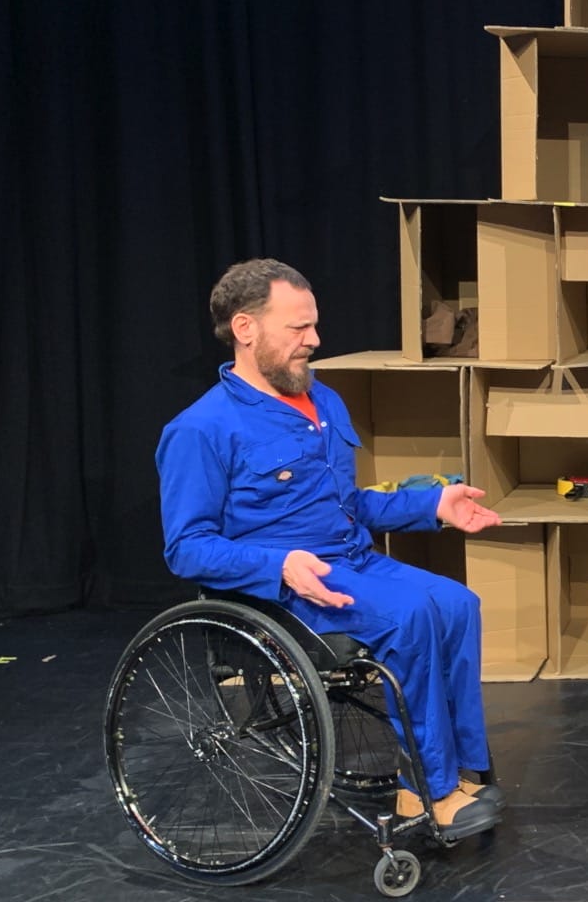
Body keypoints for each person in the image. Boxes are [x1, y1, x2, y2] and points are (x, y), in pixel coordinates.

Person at [156, 258, 506, 841]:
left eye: (313, 325)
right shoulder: (201, 429)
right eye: (298, 327)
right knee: (412, 616)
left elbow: (351, 506)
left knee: (458, 604)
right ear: (245, 329)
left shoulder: (325, 404)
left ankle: (462, 770)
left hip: (353, 563)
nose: (314, 340)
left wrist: (433, 505)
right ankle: (427, 792)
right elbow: (187, 549)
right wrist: (278, 565)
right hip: (285, 591)